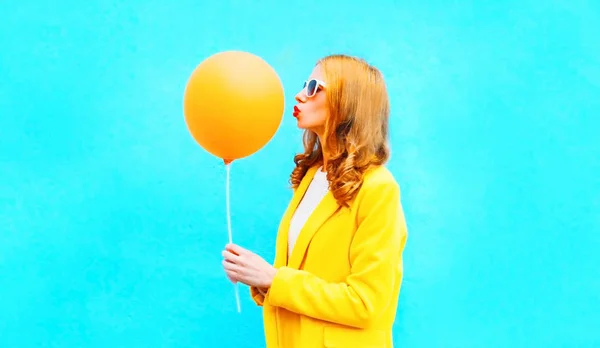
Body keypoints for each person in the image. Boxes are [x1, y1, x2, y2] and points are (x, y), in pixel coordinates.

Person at [221, 54, 408, 348]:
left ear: (348, 101)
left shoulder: (379, 189)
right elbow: (303, 275)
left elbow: (367, 303)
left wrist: (273, 279)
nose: (299, 95)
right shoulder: (311, 175)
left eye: (313, 87)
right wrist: (257, 276)